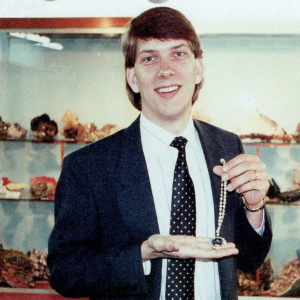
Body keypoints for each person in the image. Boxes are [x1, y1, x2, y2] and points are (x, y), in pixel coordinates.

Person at [47, 6, 272, 300]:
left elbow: (248, 259)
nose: (166, 70)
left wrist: (254, 208)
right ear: (133, 77)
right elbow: (65, 272)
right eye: (150, 58)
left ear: (198, 68)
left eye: (178, 54)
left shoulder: (227, 147)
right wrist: (142, 255)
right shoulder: (89, 166)